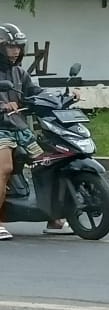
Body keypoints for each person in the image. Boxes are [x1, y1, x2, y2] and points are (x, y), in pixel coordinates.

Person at [0, 23, 72, 240]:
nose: (16, 51)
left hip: (20, 130)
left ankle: (54, 217)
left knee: (49, 163)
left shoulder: (19, 73)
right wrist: (3, 106)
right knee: (4, 168)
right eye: (11, 46)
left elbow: (36, 93)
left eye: (19, 47)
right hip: (1, 130)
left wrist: (63, 96)